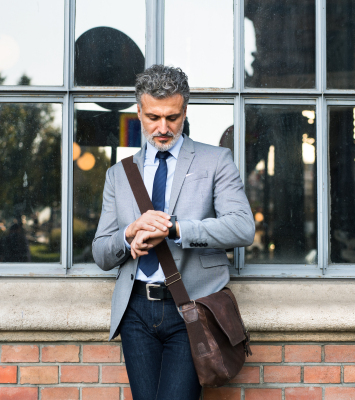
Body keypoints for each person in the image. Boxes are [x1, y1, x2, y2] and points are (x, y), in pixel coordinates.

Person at [92, 65, 255, 400]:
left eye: (172, 117)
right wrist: (129, 234)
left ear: (185, 110)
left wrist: (175, 228)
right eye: (153, 117)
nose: (163, 128)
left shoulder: (216, 161)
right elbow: (100, 253)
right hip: (135, 310)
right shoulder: (118, 175)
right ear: (138, 112)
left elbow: (242, 226)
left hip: (192, 307)